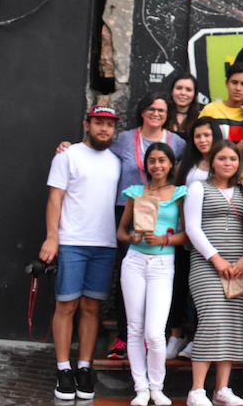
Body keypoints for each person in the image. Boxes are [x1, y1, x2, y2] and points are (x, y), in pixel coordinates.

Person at [56, 92, 186, 361]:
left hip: (164, 216)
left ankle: (159, 336)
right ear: (141, 111)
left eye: (161, 110)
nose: (156, 114)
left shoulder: (178, 143)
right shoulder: (125, 139)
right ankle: (125, 338)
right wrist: (68, 147)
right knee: (128, 275)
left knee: (162, 280)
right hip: (126, 211)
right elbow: (95, 153)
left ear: (168, 114)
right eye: (150, 108)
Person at [40, 105, 122, 401]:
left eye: (109, 125)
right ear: (87, 125)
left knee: (92, 308)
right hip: (72, 241)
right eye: (99, 123)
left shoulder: (116, 161)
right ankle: (63, 368)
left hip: (105, 244)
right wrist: (52, 238)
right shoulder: (68, 155)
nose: (104, 129)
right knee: (66, 306)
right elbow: (55, 198)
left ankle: (84, 367)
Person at [184, 141, 243, 406]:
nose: (228, 164)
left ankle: (222, 390)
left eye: (233, 159)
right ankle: (196, 391)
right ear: (212, 161)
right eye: (222, 159)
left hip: (239, 267)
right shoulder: (198, 188)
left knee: (232, 325)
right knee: (212, 320)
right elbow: (192, 228)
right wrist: (217, 260)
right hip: (207, 265)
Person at [116, 142, 188, 406]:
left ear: (170, 165)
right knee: (134, 329)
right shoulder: (135, 192)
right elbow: (121, 232)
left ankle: (157, 387)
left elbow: (188, 233)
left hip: (162, 264)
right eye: (152, 161)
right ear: (146, 165)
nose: (157, 165)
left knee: (155, 332)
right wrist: (132, 236)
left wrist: (164, 239)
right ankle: (141, 388)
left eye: (162, 160)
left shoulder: (180, 193)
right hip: (134, 261)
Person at [168, 118, 225, 361]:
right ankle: (177, 334)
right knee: (178, 287)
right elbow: (177, 197)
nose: (202, 140)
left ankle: (200, 338)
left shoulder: (223, 163)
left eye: (207, 135)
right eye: (198, 136)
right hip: (184, 236)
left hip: (212, 238)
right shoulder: (186, 165)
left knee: (205, 291)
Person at [199, 61, 243, 184]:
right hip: (214, 179)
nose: (238, 88)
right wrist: (235, 150)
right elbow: (199, 145)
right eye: (234, 83)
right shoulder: (210, 110)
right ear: (227, 83)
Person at [169, 73, 201, 137]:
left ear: (195, 94)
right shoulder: (162, 116)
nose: (183, 93)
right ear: (172, 91)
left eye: (188, 90)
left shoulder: (200, 119)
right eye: (179, 88)